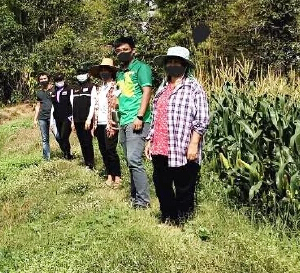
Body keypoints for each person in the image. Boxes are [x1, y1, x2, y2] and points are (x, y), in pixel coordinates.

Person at [147, 46, 210, 226]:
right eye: (170, 61)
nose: (173, 65)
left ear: (184, 65)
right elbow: (155, 117)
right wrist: (150, 140)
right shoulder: (162, 88)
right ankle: (168, 216)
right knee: (162, 184)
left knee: (184, 186)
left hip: (182, 146)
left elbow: (202, 118)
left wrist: (194, 144)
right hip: (160, 145)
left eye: (177, 62)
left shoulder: (194, 87)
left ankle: (183, 221)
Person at [112, 37, 154, 209]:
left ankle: (143, 202)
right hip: (123, 120)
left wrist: (140, 116)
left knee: (134, 159)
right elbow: (120, 95)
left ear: (133, 50)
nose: (122, 53)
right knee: (130, 162)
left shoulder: (141, 68)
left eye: (125, 49)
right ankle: (135, 197)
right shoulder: (120, 73)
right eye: (119, 51)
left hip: (136, 120)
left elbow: (147, 91)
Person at [88, 58, 122, 186]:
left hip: (111, 123)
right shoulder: (98, 89)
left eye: (106, 70)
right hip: (99, 123)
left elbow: (116, 108)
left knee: (111, 150)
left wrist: (115, 125)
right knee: (103, 150)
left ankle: (117, 176)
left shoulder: (117, 86)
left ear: (111, 72)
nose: (103, 72)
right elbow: (94, 107)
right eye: (101, 70)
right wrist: (92, 124)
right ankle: (109, 175)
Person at [71, 69, 95, 170]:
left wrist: (89, 119)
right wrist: (72, 121)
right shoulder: (74, 88)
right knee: (82, 142)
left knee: (87, 141)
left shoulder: (91, 87)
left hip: (87, 120)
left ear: (87, 75)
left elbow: (93, 104)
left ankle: (91, 164)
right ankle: (86, 162)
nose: (81, 76)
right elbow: (72, 105)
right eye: (79, 74)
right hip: (77, 120)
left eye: (83, 73)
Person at [51, 73, 74, 160]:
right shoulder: (54, 92)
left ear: (64, 80)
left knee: (64, 136)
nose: (59, 82)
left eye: (60, 80)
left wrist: (72, 117)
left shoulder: (69, 90)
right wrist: (52, 120)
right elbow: (53, 107)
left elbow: (72, 104)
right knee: (60, 136)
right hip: (57, 118)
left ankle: (68, 154)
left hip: (67, 117)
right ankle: (65, 152)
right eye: (57, 80)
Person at [31, 73, 54, 160]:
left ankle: (66, 152)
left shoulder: (54, 89)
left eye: (45, 78)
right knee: (45, 139)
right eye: (41, 79)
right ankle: (46, 158)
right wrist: (35, 119)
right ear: (39, 81)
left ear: (48, 79)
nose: (43, 80)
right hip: (42, 118)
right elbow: (38, 106)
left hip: (53, 117)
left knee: (58, 136)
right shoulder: (39, 92)